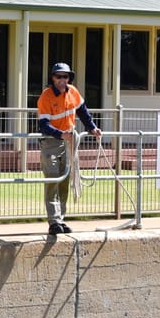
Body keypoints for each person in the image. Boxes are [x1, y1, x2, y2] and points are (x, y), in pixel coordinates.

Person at [37, 62, 102, 236]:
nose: (62, 80)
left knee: (64, 181)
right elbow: (43, 125)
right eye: (59, 76)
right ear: (52, 78)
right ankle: (54, 222)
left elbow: (83, 112)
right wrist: (60, 134)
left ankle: (61, 219)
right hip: (50, 143)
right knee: (52, 182)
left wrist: (92, 128)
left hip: (68, 143)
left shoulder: (72, 92)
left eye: (65, 76)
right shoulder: (46, 97)